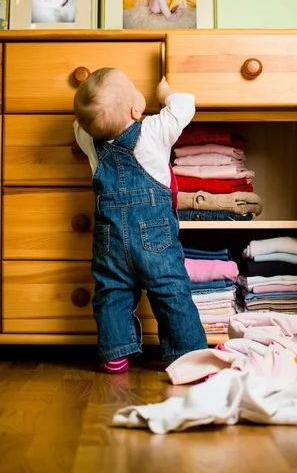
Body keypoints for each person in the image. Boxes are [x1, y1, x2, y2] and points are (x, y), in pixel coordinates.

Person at [73, 68, 208, 373]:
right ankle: (188, 356)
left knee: (111, 290)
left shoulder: (88, 139)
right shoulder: (153, 131)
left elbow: (82, 122)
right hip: (155, 238)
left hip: (111, 242)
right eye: (135, 89)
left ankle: (115, 354)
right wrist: (165, 94)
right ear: (137, 109)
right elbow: (185, 105)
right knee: (170, 289)